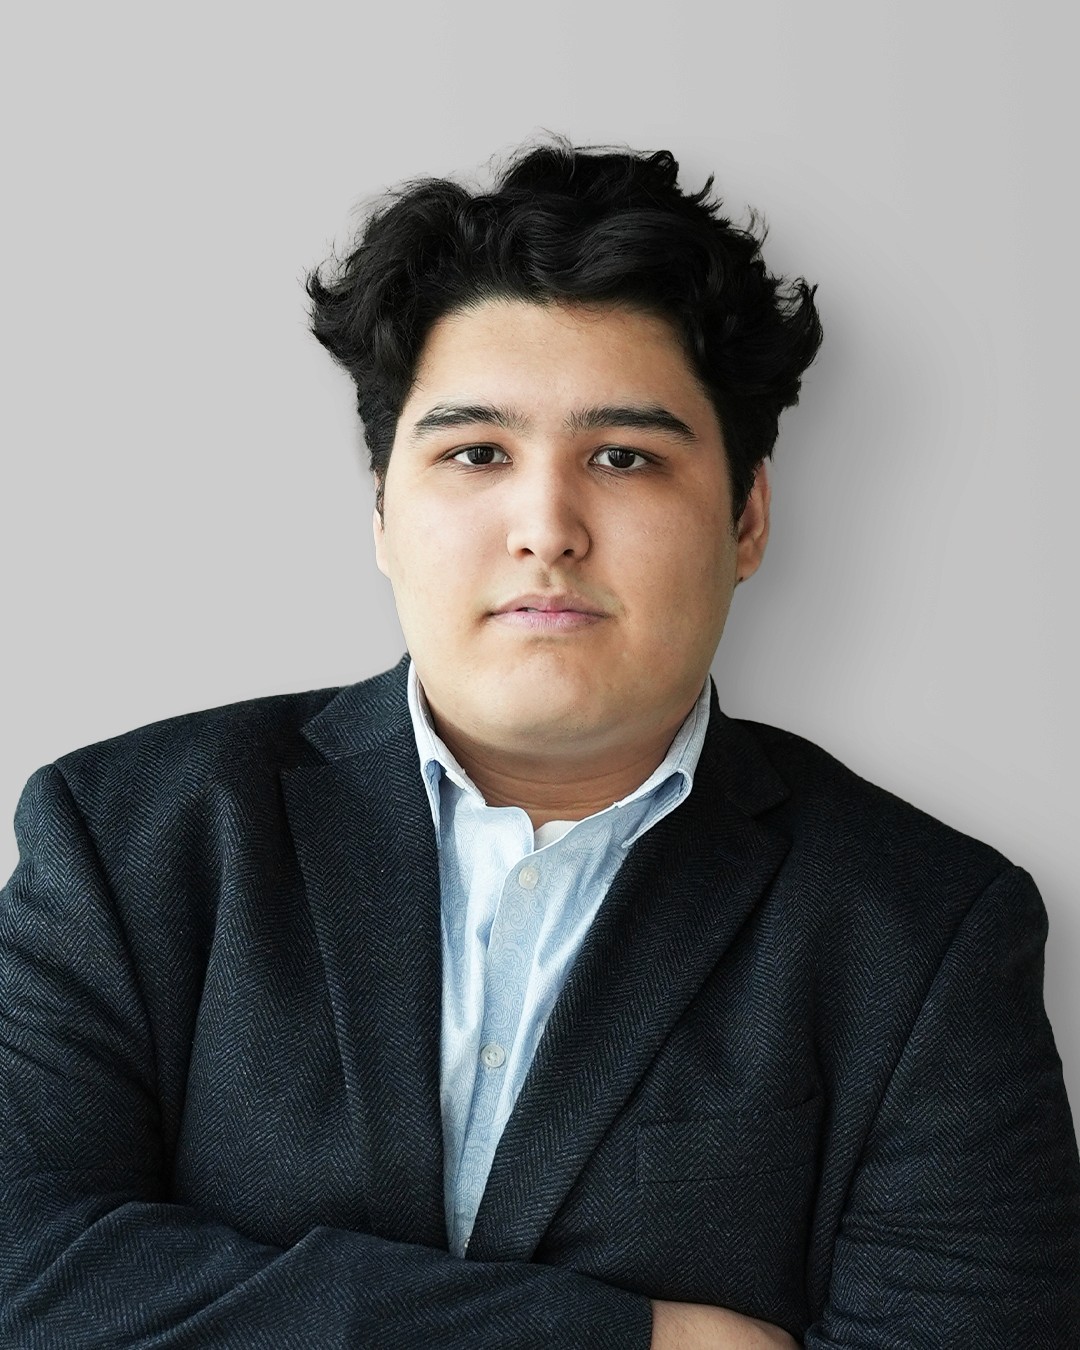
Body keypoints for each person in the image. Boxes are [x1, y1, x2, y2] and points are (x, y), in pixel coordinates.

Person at [1, 140, 1077, 1349]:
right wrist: (628, 1340)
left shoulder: (926, 929)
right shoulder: (131, 838)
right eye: (477, 454)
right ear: (382, 512)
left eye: (624, 458)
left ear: (746, 519)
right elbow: (25, 1277)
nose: (547, 528)